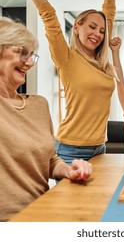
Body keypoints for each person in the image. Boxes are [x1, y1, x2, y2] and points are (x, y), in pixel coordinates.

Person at [14, 0, 118, 164]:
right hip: (70, 150)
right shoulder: (66, 58)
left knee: (99, 198)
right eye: (92, 27)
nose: (97, 34)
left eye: (102, 30)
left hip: (100, 148)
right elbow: (48, 16)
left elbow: (109, 12)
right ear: (77, 27)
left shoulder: (102, 61)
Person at [0, 17, 93, 222]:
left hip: (44, 213)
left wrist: (68, 170)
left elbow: (50, 160)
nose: (30, 62)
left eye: (32, 55)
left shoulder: (39, 105)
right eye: (21, 52)